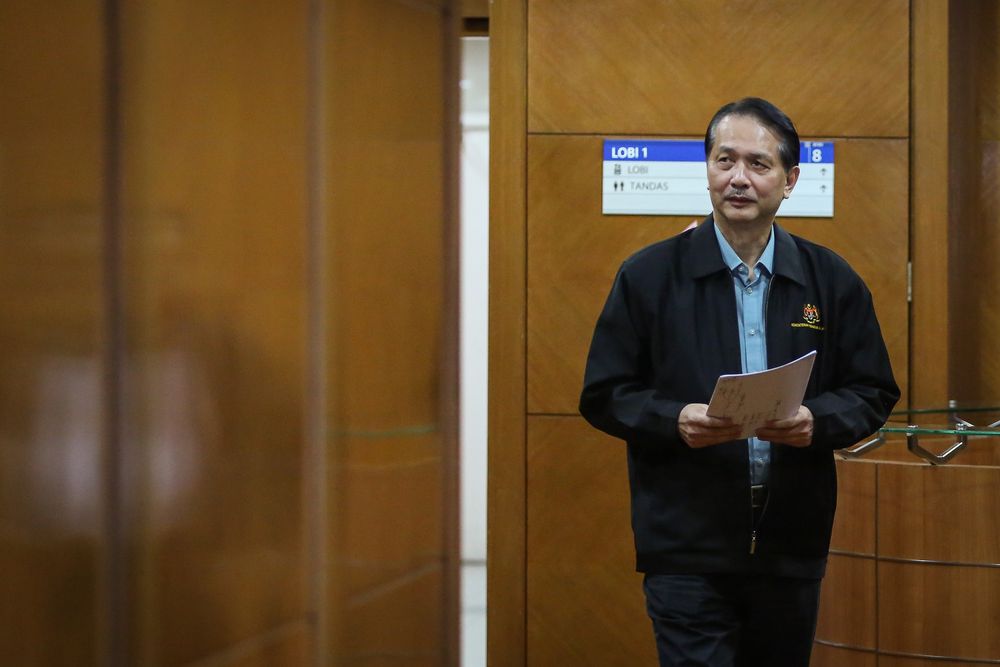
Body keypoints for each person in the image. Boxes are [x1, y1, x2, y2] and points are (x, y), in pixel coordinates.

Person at [579, 97, 899, 666]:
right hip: (685, 546)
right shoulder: (650, 276)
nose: (739, 179)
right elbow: (605, 394)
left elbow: (872, 391)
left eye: (758, 164)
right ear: (707, 169)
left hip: (790, 546)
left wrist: (815, 422)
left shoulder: (830, 279)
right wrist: (674, 419)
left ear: (790, 179)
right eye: (724, 161)